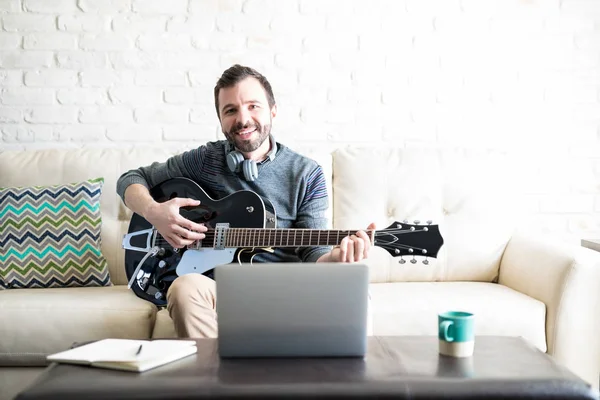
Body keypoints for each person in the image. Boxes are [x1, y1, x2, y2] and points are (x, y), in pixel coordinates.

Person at [116, 64, 375, 338]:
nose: (243, 119)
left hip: (285, 291)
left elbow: (313, 253)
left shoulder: (306, 173)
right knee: (183, 288)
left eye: (253, 106)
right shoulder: (206, 160)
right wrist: (155, 212)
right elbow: (131, 179)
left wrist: (337, 257)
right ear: (220, 119)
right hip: (219, 289)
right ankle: (210, 377)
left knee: (355, 289)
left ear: (273, 111)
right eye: (231, 110)